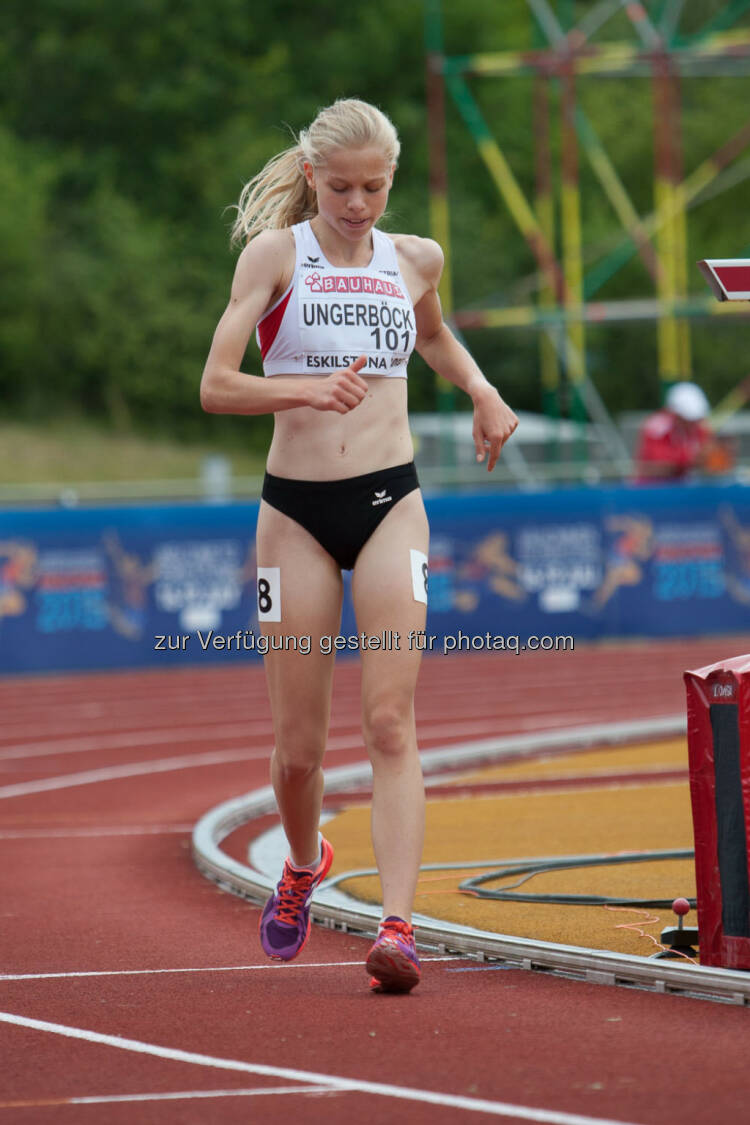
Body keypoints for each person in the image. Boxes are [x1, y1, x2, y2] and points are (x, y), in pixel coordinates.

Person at [200, 98, 518, 993]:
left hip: (391, 501)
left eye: (374, 188)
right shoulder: (276, 257)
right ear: (312, 178)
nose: (358, 205)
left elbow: (434, 336)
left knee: (389, 720)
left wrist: (484, 390)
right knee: (299, 749)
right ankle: (303, 865)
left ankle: (399, 927)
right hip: (295, 512)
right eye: (341, 188)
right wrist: (302, 391)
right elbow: (217, 386)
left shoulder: (416, 258)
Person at [635, 381, 719, 483]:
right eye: (687, 418)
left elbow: (710, 457)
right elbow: (659, 464)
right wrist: (693, 459)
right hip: (652, 491)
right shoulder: (657, 427)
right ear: (675, 414)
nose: (692, 423)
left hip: (682, 490)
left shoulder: (698, 428)